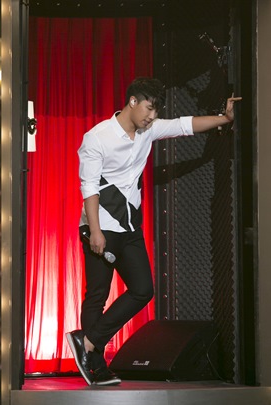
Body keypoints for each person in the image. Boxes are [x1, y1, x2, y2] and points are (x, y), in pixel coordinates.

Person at [66, 77, 241, 386]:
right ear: (132, 101)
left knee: (143, 290)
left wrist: (224, 119)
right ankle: (96, 364)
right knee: (97, 294)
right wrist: (95, 231)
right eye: (149, 108)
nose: (152, 116)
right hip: (100, 225)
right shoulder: (97, 137)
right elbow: (89, 187)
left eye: (156, 111)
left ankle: (88, 341)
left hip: (130, 227)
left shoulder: (149, 129)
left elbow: (184, 125)